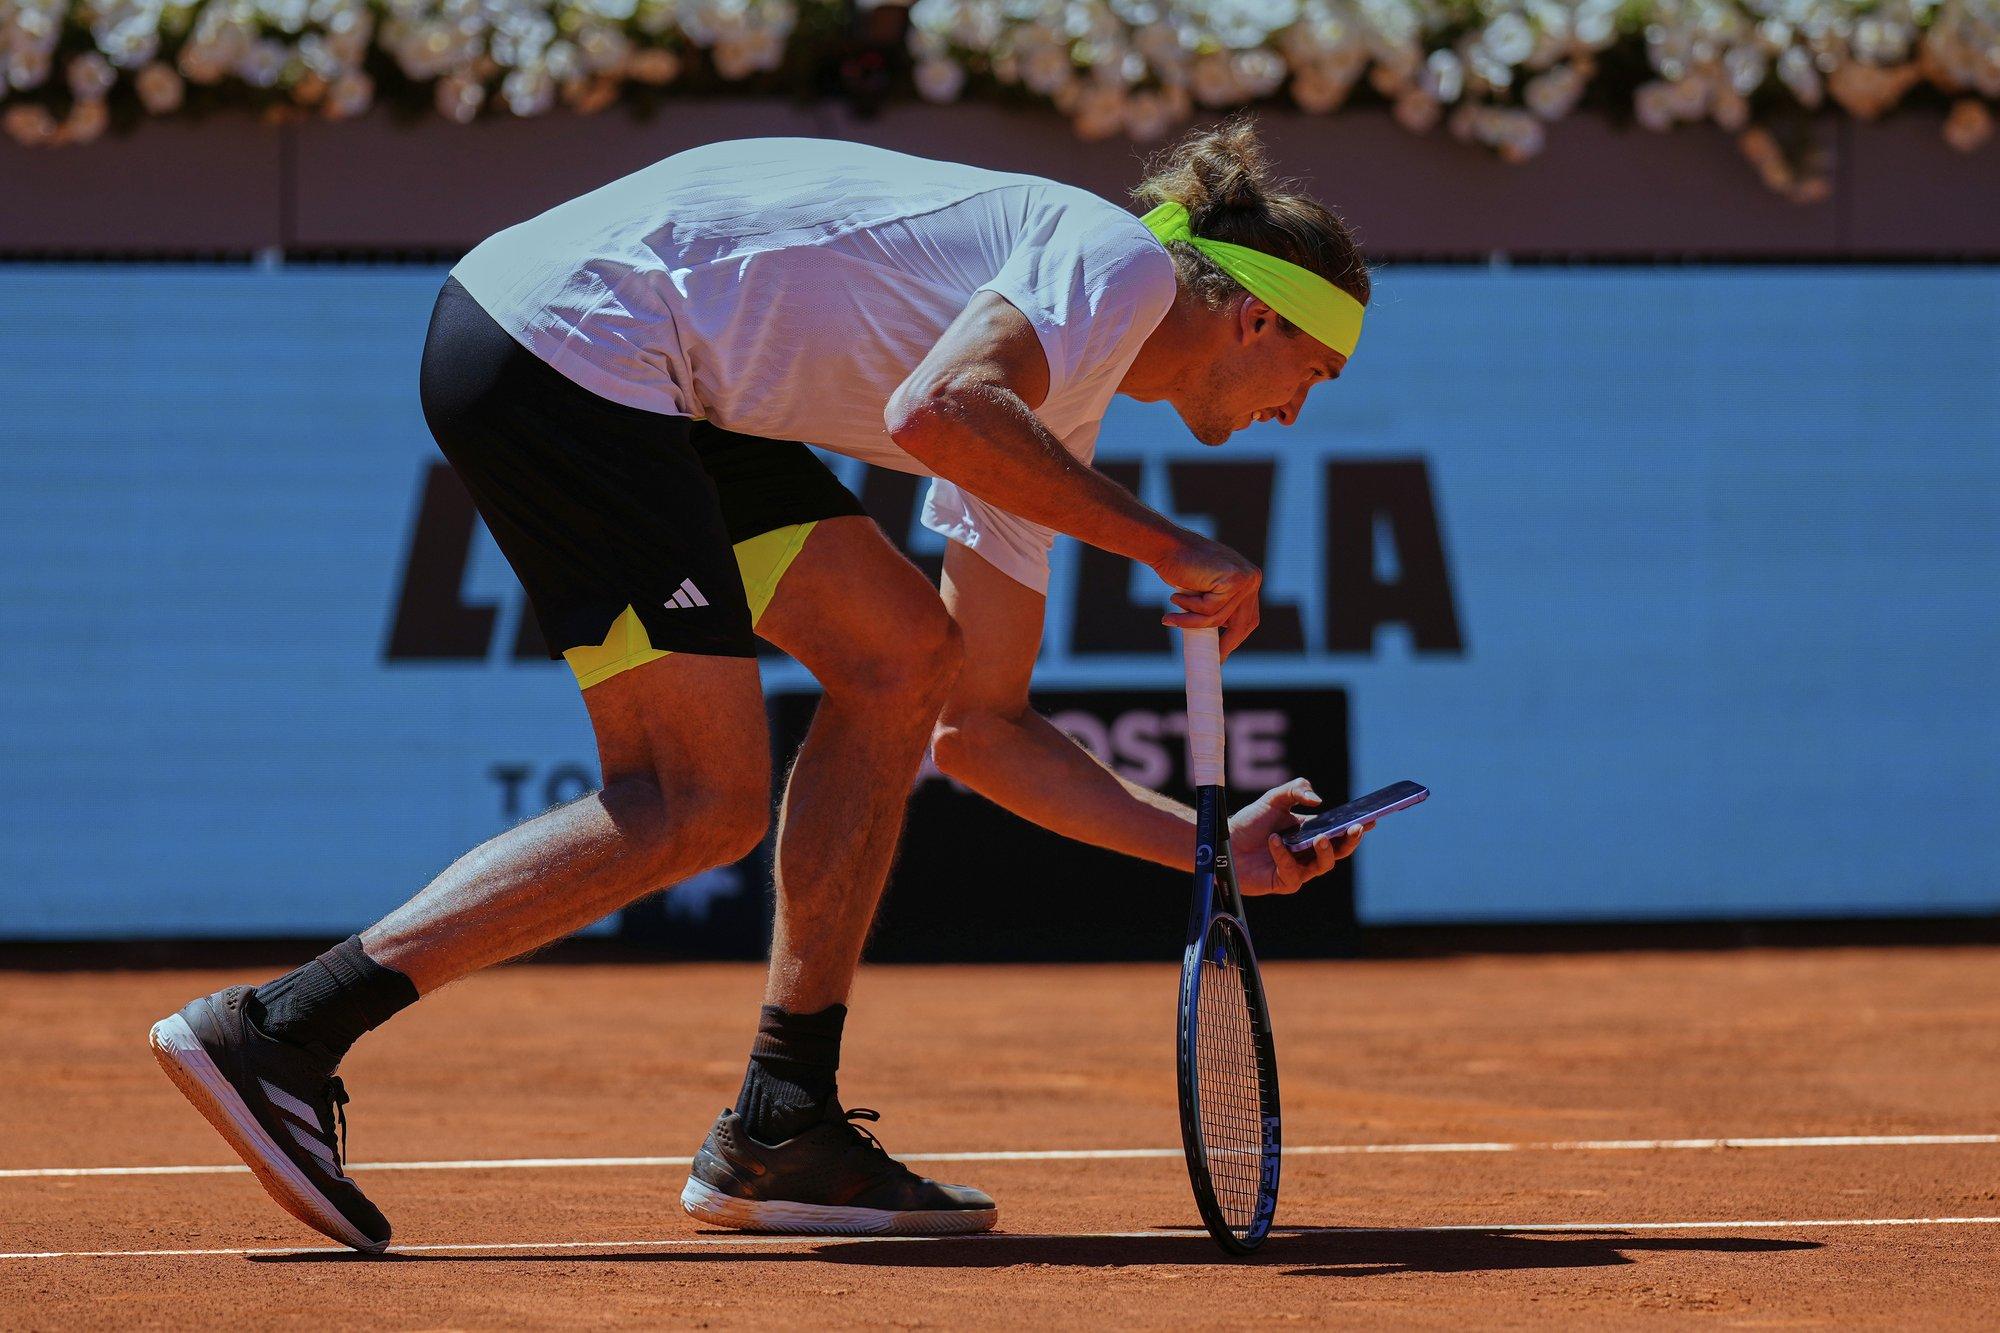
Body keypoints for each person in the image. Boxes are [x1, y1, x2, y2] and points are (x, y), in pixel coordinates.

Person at [148, 116, 1374, 1253]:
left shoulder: (1060, 390)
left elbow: (980, 727)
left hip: (660, 384)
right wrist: (1166, 543)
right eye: (1309, 373)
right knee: (696, 799)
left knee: (903, 661)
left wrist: (1209, 849)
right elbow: (939, 407)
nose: (1290, 412)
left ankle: (785, 1122)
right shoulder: (1120, 268)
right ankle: (282, 1032)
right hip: (571, 348)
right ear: (1253, 319)